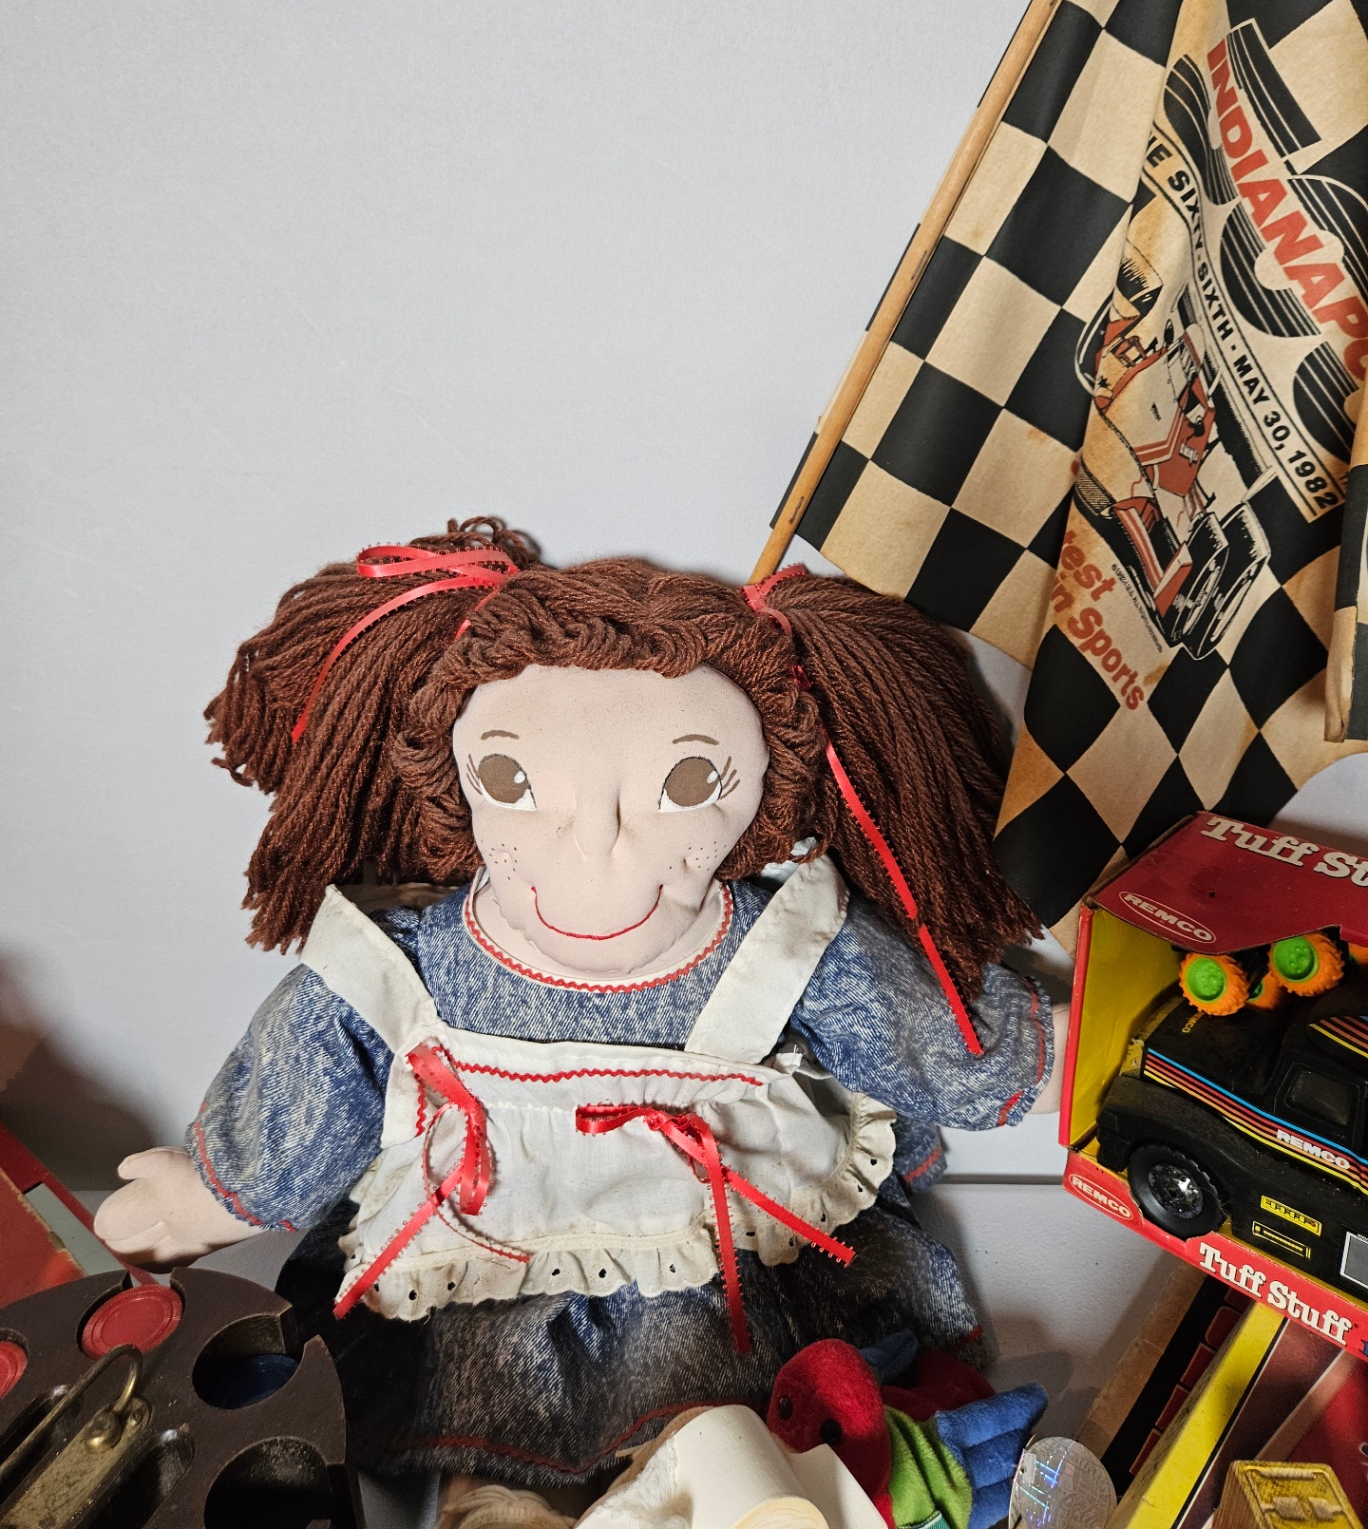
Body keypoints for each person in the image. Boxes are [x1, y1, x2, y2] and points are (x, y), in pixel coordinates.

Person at [96, 518, 1064, 1496]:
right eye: (510, 780)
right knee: (487, 1459)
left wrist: (1045, 1057)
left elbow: (903, 1025)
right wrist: (218, 1192)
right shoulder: (418, 960)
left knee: (727, 1450)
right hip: (481, 1264)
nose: (595, 842)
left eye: (689, 782)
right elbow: (324, 1050)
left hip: (726, 1267)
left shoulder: (778, 943)